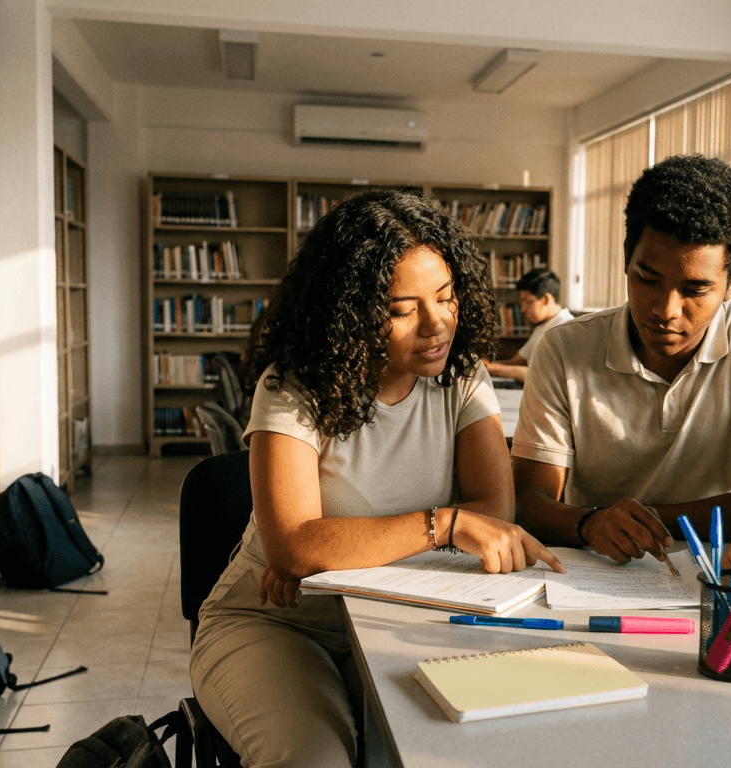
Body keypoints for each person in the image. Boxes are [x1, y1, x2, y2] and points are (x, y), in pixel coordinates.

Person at [189, 189, 565, 768]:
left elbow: (495, 512)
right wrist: (442, 524)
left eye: (445, 297)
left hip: (404, 618)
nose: (437, 324)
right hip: (281, 622)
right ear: (351, 310)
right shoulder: (292, 387)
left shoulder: (462, 380)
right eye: (401, 309)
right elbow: (293, 546)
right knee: (315, 760)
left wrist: (333, 553)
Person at [512, 154, 731, 566]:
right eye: (647, 279)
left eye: (695, 289)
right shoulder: (565, 349)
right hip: (591, 569)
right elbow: (528, 502)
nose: (666, 310)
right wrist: (590, 524)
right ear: (627, 256)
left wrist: (645, 520)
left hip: (708, 575)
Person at [484, 268, 574, 383]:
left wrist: (486, 367)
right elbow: (516, 362)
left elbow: (536, 375)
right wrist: (483, 364)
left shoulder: (565, 328)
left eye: (527, 301)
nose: (523, 309)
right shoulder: (544, 325)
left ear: (546, 299)